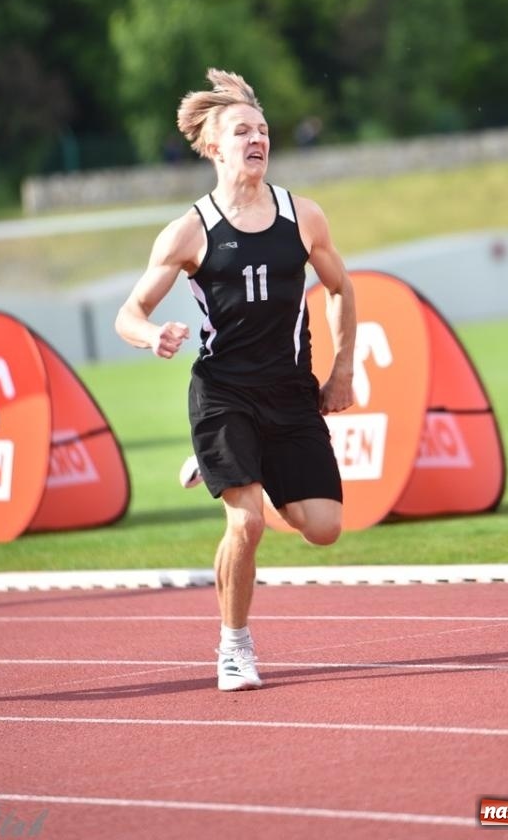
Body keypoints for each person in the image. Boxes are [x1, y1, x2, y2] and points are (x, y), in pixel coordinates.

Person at [115, 69, 356, 691]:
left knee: (323, 528)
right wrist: (152, 336)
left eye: (264, 129)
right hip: (223, 394)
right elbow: (129, 313)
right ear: (214, 147)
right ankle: (234, 648)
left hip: (289, 392)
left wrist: (342, 371)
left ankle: (221, 463)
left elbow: (339, 288)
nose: (258, 139)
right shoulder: (189, 231)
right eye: (242, 130)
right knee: (246, 522)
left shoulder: (303, 216)